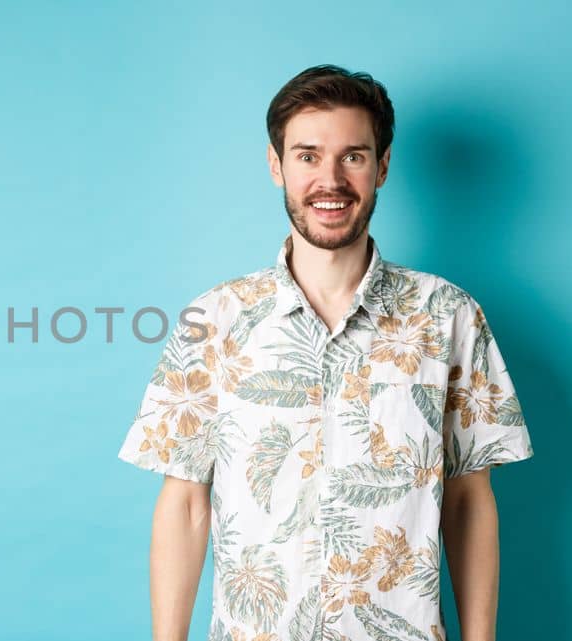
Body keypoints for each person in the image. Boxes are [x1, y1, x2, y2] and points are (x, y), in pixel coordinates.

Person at [116, 64, 533, 641]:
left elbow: (468, 500)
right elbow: (186, 503)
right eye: (308, 156)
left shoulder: (449, 317)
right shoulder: (214, 320)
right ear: (276, 165)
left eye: (353, 156)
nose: (330, 180)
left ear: (382, 166)